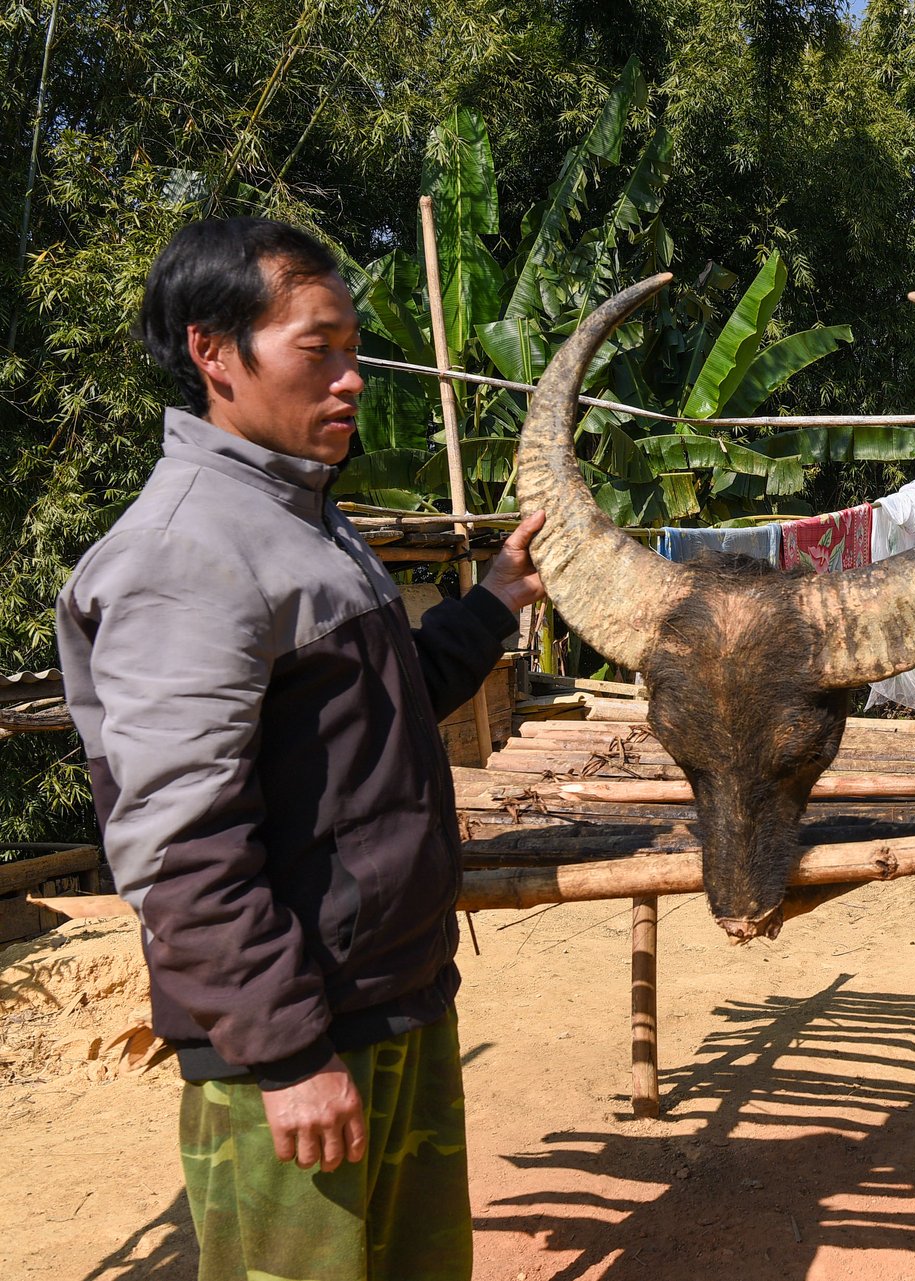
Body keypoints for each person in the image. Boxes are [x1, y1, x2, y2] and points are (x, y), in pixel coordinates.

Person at [55, 217, 547, 1281]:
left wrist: (495, 604)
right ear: (213, 353)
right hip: (297, 1041)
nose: (353, 380)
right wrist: (285, 1054)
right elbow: (178, 844)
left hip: (390, 1001)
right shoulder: (183, 551)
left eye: (352, 350)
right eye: (315, 350)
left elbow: (385, 709)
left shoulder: (302, 521)